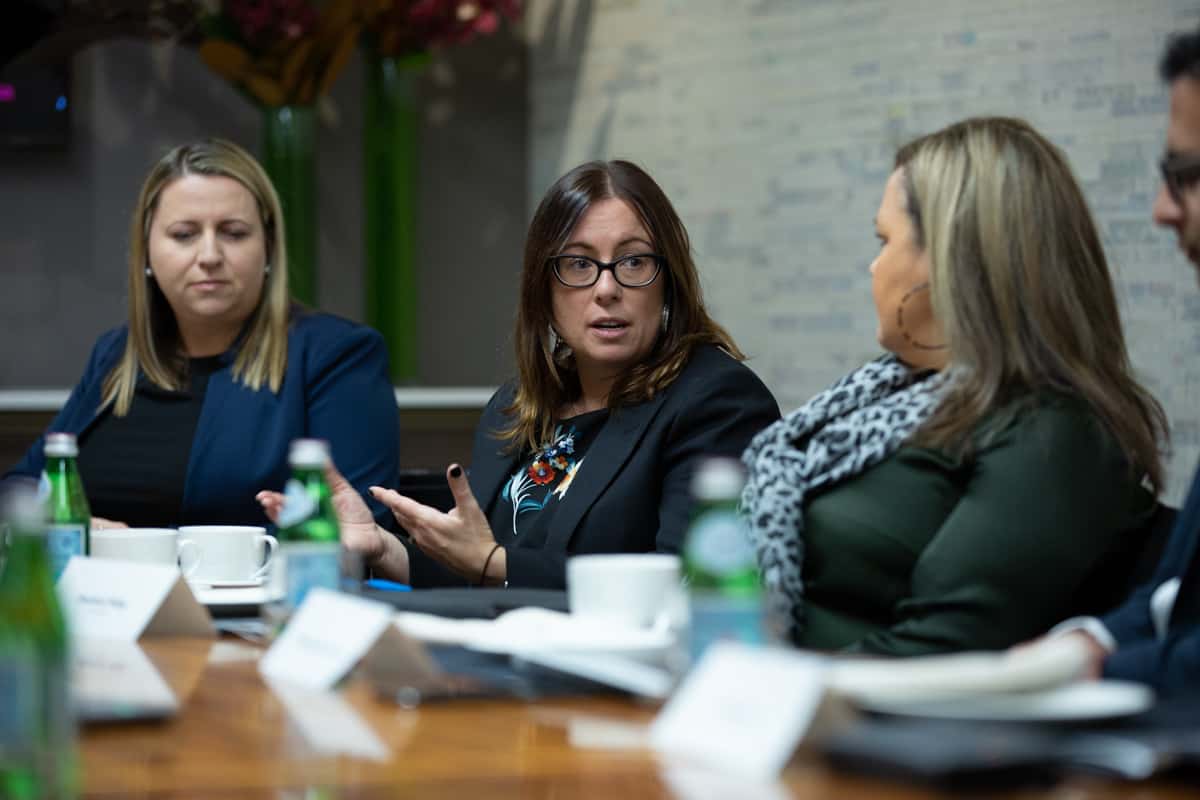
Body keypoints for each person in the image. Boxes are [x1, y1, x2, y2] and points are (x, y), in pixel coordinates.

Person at [742, 116, 1168, 656]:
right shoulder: (886, 394)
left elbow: (939, 650)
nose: (874, 267)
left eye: (884, 241)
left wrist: (757, 689)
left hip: (836, 702)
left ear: (951, 260)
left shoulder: (1051, 431)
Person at [261, 160, 780, 589]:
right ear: (543, 291)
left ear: (668, 281)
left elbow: (687, 583)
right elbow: (472, 569)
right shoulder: (519, 405)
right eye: (579, 265)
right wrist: (381, 547)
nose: (606, 289)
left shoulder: (718, 401)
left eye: (633, 262)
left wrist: (493, 563)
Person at [4, 139, 399, 528]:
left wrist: (136, 549)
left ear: (268, 248)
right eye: (184, 234)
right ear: (146, 252)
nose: (209, 256)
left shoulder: (338, 354)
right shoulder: (117, 353)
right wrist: (74, 526)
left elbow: (360, 526)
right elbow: (20, 489)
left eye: (234, 233)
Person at [1040, 29, 1200, 694]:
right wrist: (1092, 640)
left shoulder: (1050, 433)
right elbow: (1175, 599)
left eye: (1187, 176)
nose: (1162, 211)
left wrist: (1093, 669)